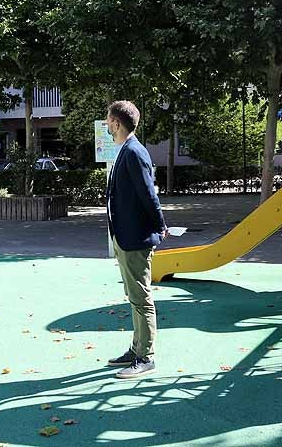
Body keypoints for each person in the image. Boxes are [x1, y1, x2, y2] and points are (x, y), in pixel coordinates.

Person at [104, 100, 168, 379]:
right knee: (134, 297)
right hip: (125, 236)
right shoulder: (127, 150)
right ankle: (137, 348)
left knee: (141, 298)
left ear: (117, 123)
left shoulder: (133, 152)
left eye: (108, 120)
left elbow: (148, 194)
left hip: (135, 239)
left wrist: (161, 226)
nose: (106, 124)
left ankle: (146, 356)